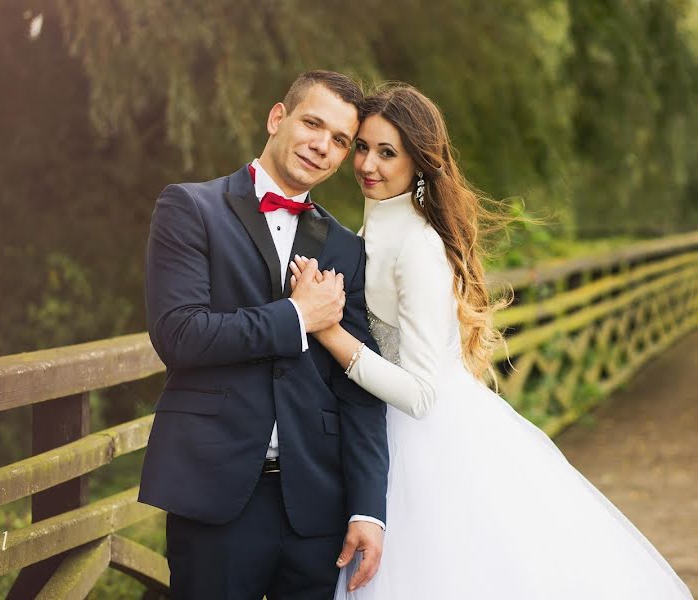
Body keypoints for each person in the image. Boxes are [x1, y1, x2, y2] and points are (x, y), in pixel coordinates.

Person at [289, 82, 694, 599]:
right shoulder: (371, 230)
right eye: (363, 147)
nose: (368, 164)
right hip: (378, 429)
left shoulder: (417, 245)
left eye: (387, 152)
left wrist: (327, 331)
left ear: (418, 162)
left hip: (426, 441)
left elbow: (420, 393)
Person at [139, 70, 390, 600]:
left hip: (316, 504)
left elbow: (359, 384)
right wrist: (298, 317)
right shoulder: (190, 208)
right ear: (279, 118)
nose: (322, 146)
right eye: (313, 124)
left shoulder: (347, 248)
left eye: (340, 140)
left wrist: (369, 507)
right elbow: (178, 334)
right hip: (216, 491)